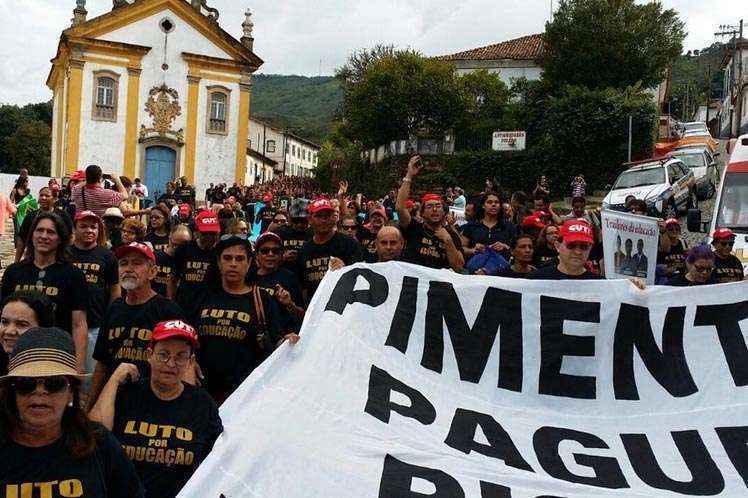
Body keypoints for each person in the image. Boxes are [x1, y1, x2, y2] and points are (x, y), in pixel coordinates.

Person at [0, 327, 144, 498]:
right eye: (26, 383)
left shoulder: (99, 442)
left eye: (54, 383)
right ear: (12, 391)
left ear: (70, 391)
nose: (40, 391)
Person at [89, 320, 222, 498]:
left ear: (190, 362)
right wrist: (113, 381)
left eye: (180, 356)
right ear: (149, 355)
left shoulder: (202, 404)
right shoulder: (127, 394)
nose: (171, 363)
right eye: (163, 354)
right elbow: (93, 437)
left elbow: (215, 462)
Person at [194, 235, 299, 403]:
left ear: (249, 263)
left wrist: (287, 342)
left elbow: (275, 338)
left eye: (240, 258)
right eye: (227, 258)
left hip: (246, 393)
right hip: (204, 390)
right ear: (219, 263)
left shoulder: (261, 298)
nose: (233, 263)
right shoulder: (203, 296)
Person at [90, 243, 184, 406]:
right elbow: (102, 363)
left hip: (152, 404)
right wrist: (90, 405)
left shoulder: (168, 311)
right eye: (124, 263)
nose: (129, 268)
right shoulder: (113, 308)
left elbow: (180, 363)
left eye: (137, 263)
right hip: (114, 401)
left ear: (152, 272)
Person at [1, 212, 89, 372]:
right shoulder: (13, 272)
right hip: (15, 354)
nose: (44, 236)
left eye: (51, 232)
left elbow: (79, 324)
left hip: (55, 354)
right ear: (32, 235)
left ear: (60, 238)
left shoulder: (73, 275)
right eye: (39, 230)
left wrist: (79, 363)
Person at [69, 210, 120, 375]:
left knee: (89, 375)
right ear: (75, 229)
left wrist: (110, 320)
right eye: (83, 226)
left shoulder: (107, 256)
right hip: (66, 325)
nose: (89, 231)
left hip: (95, 326)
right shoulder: (65, 254)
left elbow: (115, 291)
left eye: (93, 227)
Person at [396, 156, 464, 271]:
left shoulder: (451, 235)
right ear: (422, 213)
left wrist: (447, 241)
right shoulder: (414, 228)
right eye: (429, 206)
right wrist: (409, 175)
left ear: (444, 211)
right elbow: (400, 207)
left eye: (438, 206)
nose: (434, 210)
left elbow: (459, 268)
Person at [296, 198, 362, 301]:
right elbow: (303, 288)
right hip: (316, 310)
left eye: (327, 216)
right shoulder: (304, 251)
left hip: (344, 307)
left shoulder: (349, 244)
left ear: (333, 218)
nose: (323, 220)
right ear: (310, 219)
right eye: (318, 216)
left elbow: (361, 278)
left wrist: (345, 269)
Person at [253, 232, 305, 325]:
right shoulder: (248, 278)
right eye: (265, 251)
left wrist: (290, 304)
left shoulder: (289, 277)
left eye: (275, 251)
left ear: (281, 254)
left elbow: (303, 315)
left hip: (285, 335)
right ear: (257, 255)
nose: (270, 254)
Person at [170, 210, 220, 307]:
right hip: (184, 305)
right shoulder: (184, 249)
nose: (209, 237)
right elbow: (173, 279)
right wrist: (170, 303)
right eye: (205, 233)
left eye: (212, 233)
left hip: (209, 307)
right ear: (197, 232)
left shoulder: (220, 252)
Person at [0, 291, 55, 375]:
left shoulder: (52, 376)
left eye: (21, 324)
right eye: (4, 322)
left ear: (43, 330)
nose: (9, 331)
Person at [529, 219, 603, 280]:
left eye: (584, 247)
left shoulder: (600, 284)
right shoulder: (537, 279)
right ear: (557, 246)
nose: (578, 252)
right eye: (571, 246)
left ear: (590, 249)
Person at [15, 186, 73, 262]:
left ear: (55, 199)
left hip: (57, 259)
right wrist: (17, 260)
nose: (43, 198)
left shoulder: (63, 216)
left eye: (47, 196)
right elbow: (22, 238)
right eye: (41, 195)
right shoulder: (31, 216)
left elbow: (71, 237)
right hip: (33, 258)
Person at [460, 193, 516, 260]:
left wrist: (505, 247)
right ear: (483, 206)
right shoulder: (472, 226)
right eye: (489, 202)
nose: (493, 204)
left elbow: (517, 250)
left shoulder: (508, 226)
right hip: (476, 266)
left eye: (496, 202)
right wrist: (473, 250)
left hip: (501, 267)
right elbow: (461, 248)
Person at [153, 225, 192, 298]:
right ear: (169, 238)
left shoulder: (190, 261)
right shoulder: (155, 258)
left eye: (181, 246)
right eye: (174, 245)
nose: (177, 249)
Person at [276, 199, 311, 268]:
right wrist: (282, 258)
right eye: (296, 220)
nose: (299, 224)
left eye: (303, 221)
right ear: (290, 219)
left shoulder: (314, 234)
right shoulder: (281, 232)